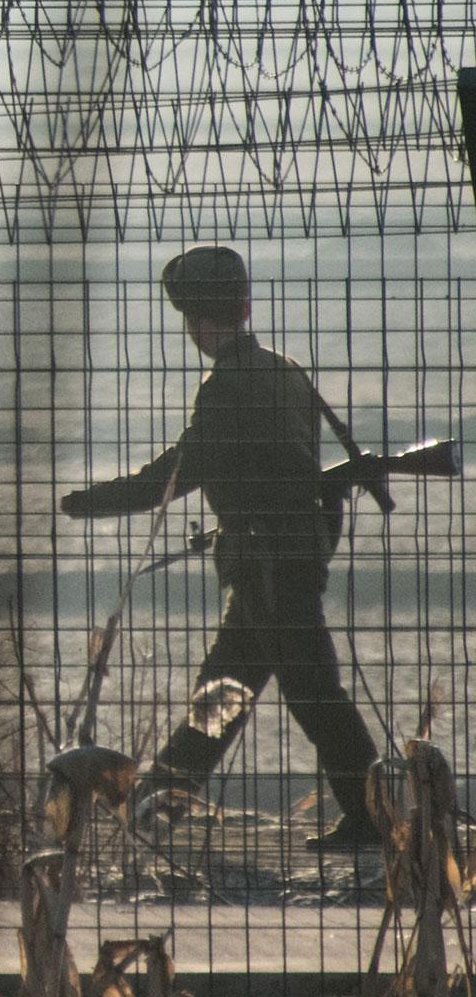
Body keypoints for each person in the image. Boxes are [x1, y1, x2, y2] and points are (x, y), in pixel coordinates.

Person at [59, 244, 380, 848]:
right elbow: (285, 469)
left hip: (266, 564)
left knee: (312, 694)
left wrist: (86, 501)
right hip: (284, 555)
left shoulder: (226, 385)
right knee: (224, 690)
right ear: (243, 307)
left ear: (199, 321)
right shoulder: (283, 369)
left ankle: (375, 816)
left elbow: (175, 473)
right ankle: (156, 804)